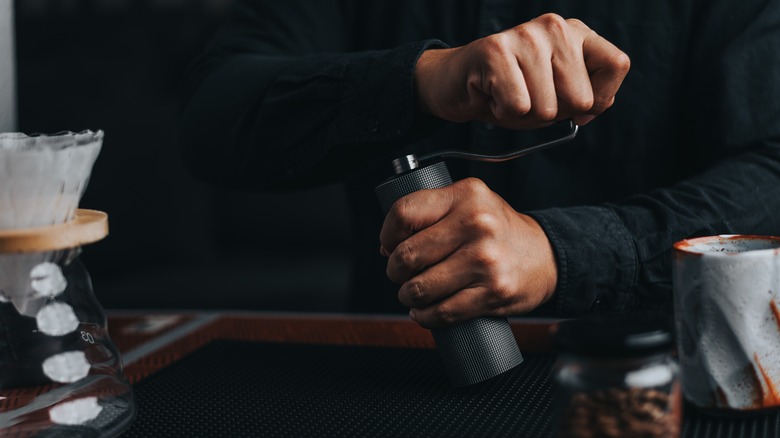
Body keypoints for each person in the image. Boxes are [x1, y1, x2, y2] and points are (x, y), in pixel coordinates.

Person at [178, 0, 780, 328]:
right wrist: (424, 79)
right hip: (392, 367)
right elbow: (211, 121)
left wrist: (560, 253)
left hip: (660, 365)